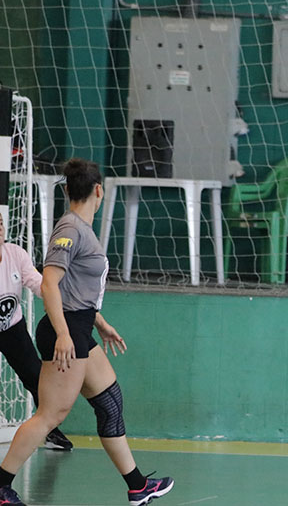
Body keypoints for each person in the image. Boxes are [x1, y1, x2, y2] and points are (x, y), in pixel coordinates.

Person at [0, 158, 174, 506]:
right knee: (50, 415)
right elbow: (50, 284)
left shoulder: (81, 227)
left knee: (110, 402)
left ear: (67, 190)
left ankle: (138, 486)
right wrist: (64, 334)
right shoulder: (69, 229)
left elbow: (76, 290)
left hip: (79, 326)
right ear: (99, 190)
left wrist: (99, 321)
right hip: (66, 332)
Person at [0, 213, 73, 451]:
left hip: (12, 328)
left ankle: (50, 431)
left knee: (37, 377)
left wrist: (57, 298)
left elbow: (38, 283)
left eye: (0, 223)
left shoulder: (16, 254)